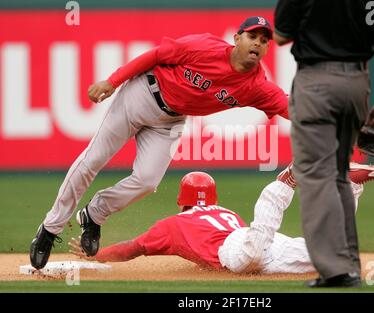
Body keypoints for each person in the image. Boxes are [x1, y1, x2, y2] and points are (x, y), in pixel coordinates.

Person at [29, 16, 290, 270]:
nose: (257, 43)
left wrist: (324, 122)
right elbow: (155, 56)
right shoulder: (205, 46)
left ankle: (94, 214)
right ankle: (50, 229)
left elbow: (293, 109)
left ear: (268, 48)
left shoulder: (258, 87)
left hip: (170, 121)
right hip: (143, 94)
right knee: (92, 160)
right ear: (237, 38)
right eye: (252, 36)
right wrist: (113, 81)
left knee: (146, 181)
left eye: (264, 40)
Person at [68, 163, 374, 274]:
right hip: (263, 246)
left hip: (243, 250)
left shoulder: (172, 225)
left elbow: (132, 249)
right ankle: (350, 188)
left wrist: (98, 255)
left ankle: (286, 180)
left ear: (182, 200)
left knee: (257, 239)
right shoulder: (225, 213)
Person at [273, 0, 374, 287]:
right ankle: (348, 264)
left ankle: (335, 270)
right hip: (357, 82)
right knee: (338, 173)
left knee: (316, 173)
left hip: (315, 80)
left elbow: (280, 35)